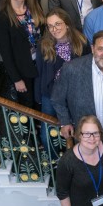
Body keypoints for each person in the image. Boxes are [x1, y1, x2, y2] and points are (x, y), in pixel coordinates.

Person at [35, 8, 89, 139]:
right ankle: (51, 158)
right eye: (50, 26)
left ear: (67, 24)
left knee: (77, 129)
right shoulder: (43, 45)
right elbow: (39, 72)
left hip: (75, 94)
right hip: (50, 94)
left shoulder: (81, 42)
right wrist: (38, 97)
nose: (54, 29)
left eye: (58, 24)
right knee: (48, 132)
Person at [0, 0, 45, 108]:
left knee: (40, 101)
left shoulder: (35, 9)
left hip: (40, 64)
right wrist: (16, 79)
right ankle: (29, 130)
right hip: (22, 70)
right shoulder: (2, 17)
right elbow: (6, 52)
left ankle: (39, 129)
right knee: (27, 106)